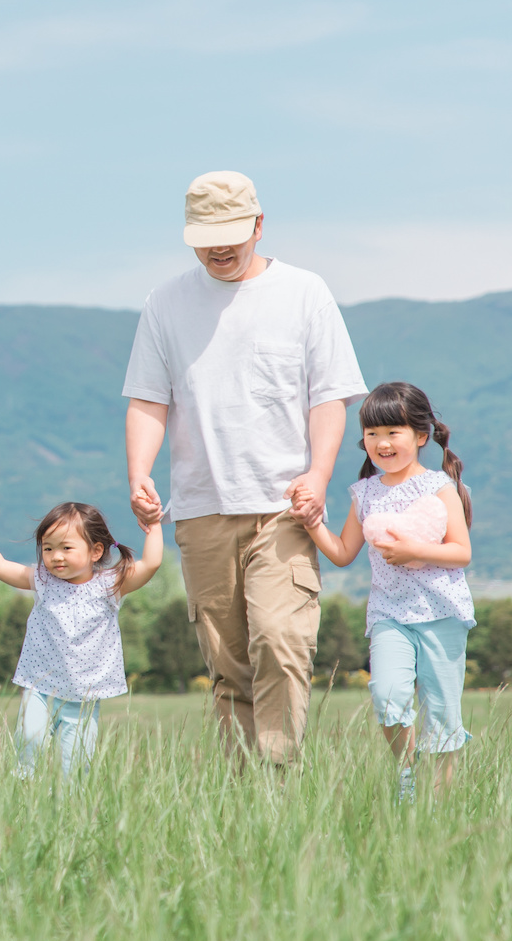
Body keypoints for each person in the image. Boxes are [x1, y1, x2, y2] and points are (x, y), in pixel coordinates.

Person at [122, 170, 367, 766]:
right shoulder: (166, 303)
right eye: (206, 236)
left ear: (259, 225)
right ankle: (242, 794)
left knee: (281, 643)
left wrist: (318, 474)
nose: (220, 247)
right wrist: (139, 473)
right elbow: (150, 400)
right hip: (202, 508)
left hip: (285, 507)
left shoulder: (304, 292)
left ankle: (277, 778)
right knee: (228, 664)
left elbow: (328, 399)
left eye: (232, 232)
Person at [299, 381, 474, 800]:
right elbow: (342, 552)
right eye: (372, 434)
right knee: (387, 693)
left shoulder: (440, 487)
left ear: (420, 436)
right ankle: (407, 773)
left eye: (392, 433)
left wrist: (415, 550)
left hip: (442, 614)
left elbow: (461, 551)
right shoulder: (365, 494)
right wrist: (310, 524)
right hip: (389, 615)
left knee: (442, 713)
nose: (381, 443)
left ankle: (438, 806)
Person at [0, 502, 164, 776]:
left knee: (75, 767)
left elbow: (151, 563)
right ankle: (25, 797)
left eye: (66, 548)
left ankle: (69, 812)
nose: (56, 556)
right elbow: (0, 566)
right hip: (40, 686)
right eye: (48, 548)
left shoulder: (110, 585)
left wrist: (154, 526)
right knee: (30, 740)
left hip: (83, 695)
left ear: (96, 551)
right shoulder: (42, 580)